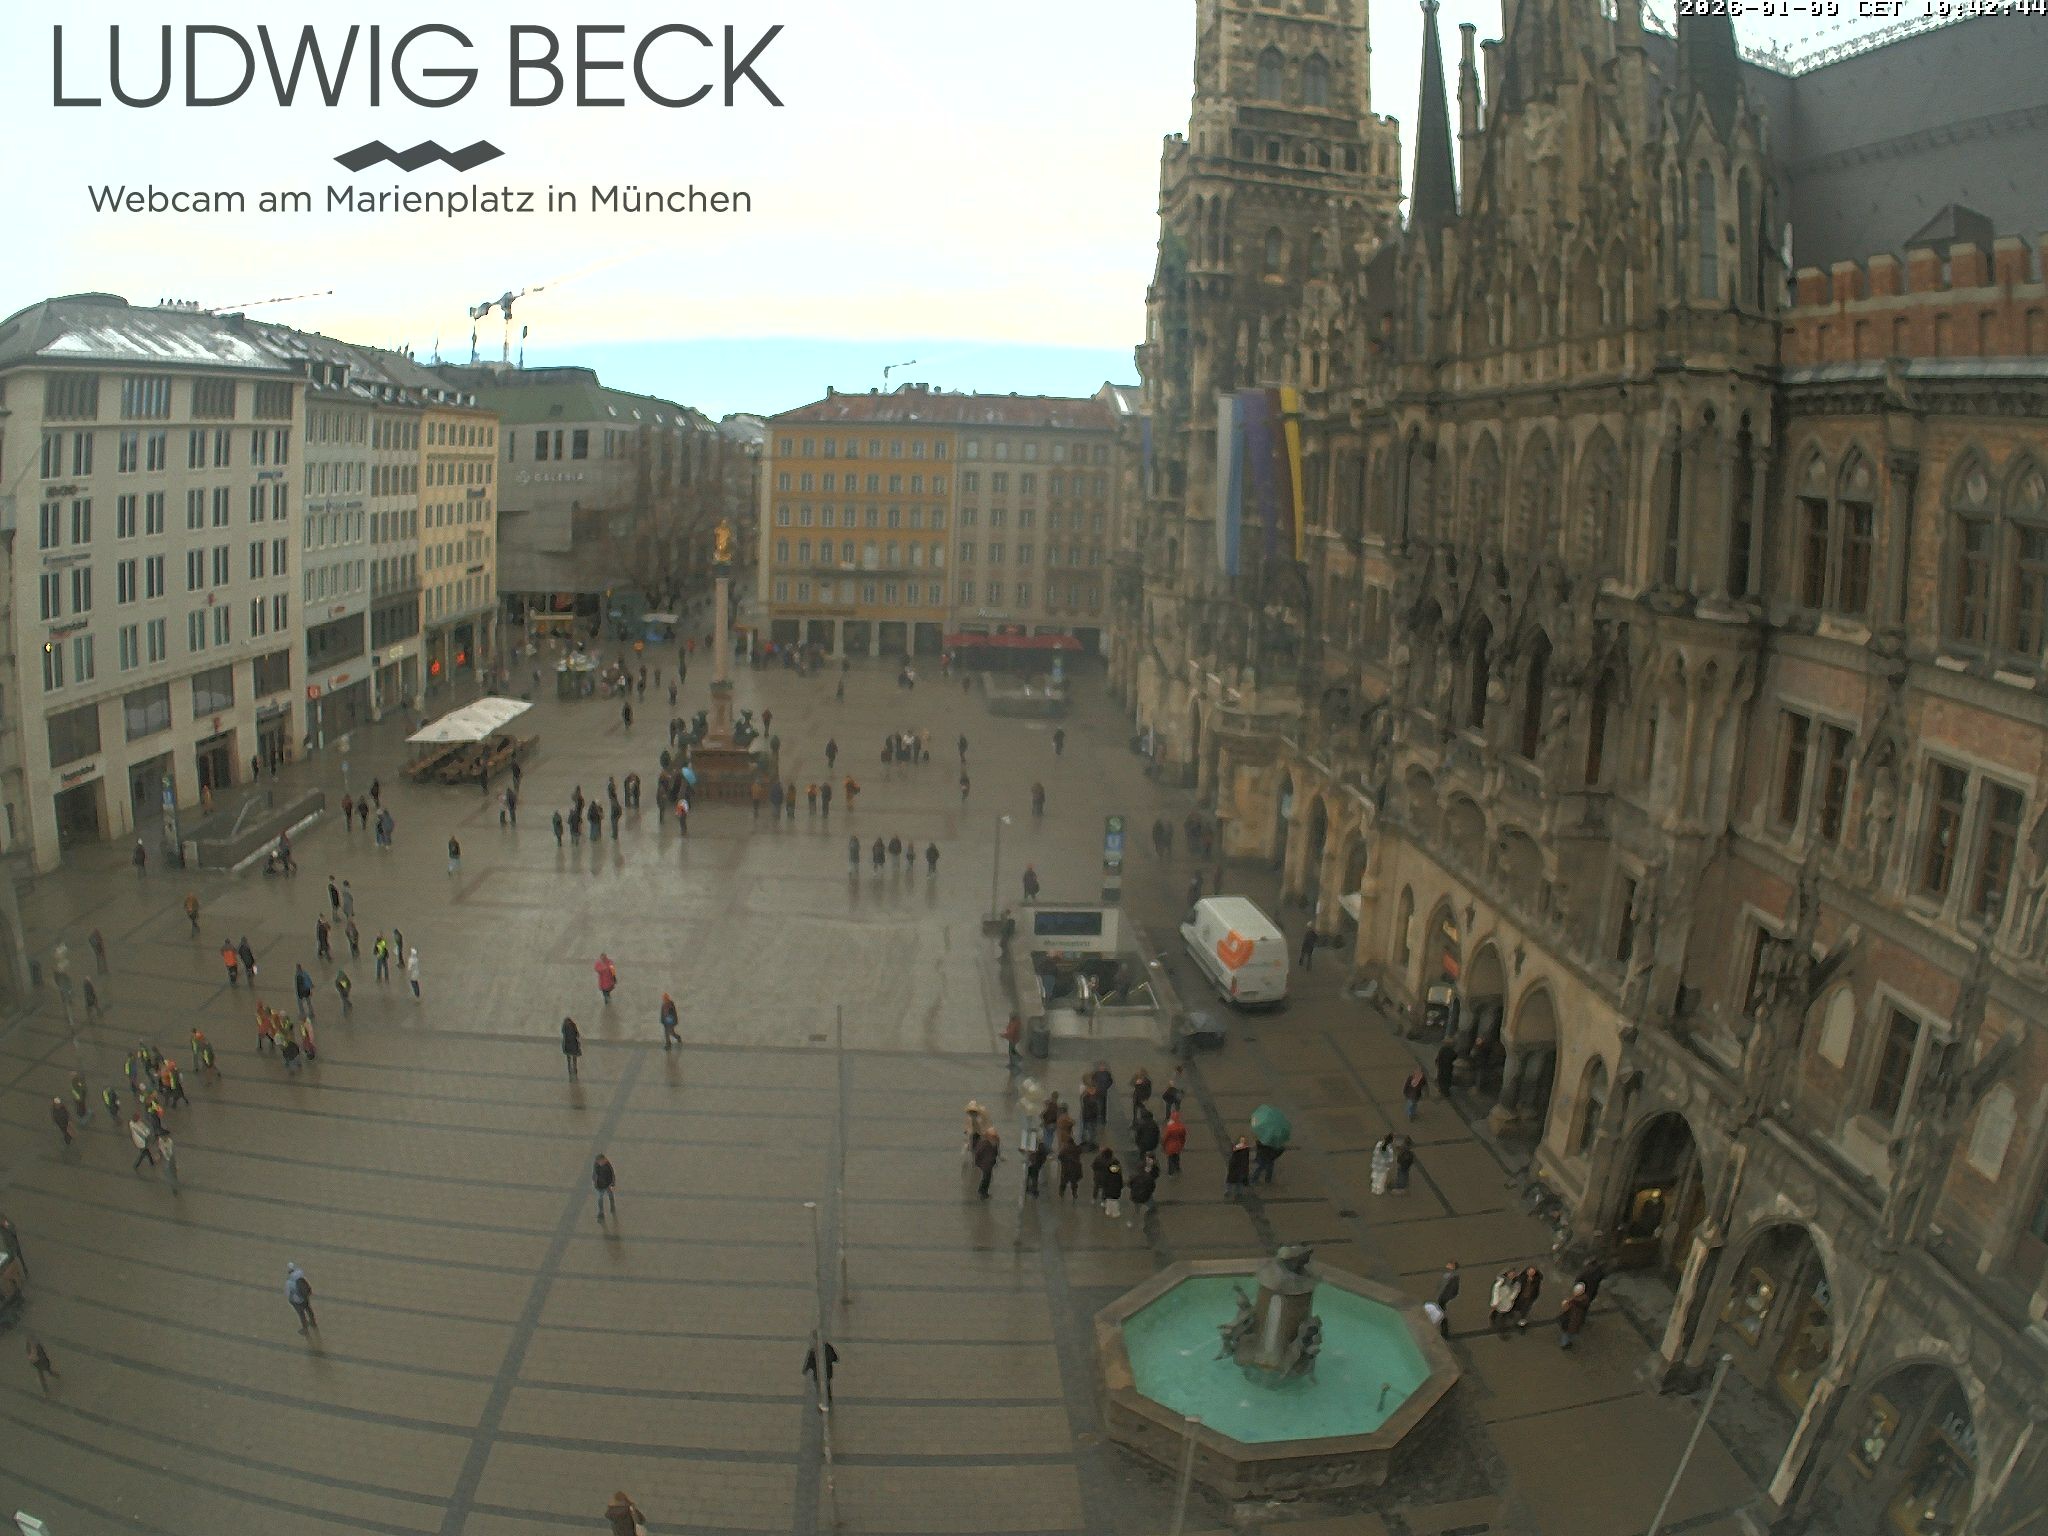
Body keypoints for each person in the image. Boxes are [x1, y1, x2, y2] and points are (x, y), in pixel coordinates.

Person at [803, 1337, 839, 1407]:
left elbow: (810, 1362)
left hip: (819, 1374)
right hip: (827, 1373)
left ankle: (823, 1402)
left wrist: (806, 1369)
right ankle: (828, 1399)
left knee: (820, 1388)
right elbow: (835, 1358)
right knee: (826, 1387)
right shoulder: (828, 1347)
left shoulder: (813, 1350)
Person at [1509, 1264, 1544, 1330]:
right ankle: (1511, 1312)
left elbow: (1536, 1290)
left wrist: (1534, 1298)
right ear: (1527, 1271)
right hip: (1520, 1296)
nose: (1531, 1273)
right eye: (1530, 1272)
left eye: (1533, 1272)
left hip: (1529, 1298)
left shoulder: (1536, 1280)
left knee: (1525, 1309)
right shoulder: (1523, 1277)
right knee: (1515, 1305)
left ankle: (1522, 1320)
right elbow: (1516, 1281)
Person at [285, 1262, 317, 1333]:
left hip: (297, 1301)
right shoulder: (300, 1274)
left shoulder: (289, 1281)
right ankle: (313, 1322)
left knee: (301, 1314)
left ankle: (305, 1329)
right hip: (304, 1297)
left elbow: (288, 1293)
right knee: (308, 1309)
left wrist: (290, 1300)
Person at [1558, 1282, 1591, 1349]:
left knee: (1566, 1334)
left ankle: (1564, 1344)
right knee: (1568, 1334)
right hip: (1572, 1322)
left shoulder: (1573, 1301)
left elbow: (1566, 1310)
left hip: (1569, 1322)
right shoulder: (1583, 1300)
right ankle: (1565, 1344)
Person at [1489, 1269, 1521, 1335]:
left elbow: (1514, 1294)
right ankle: (1497, 1323)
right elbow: (1496, 1291)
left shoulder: (1515, 1283)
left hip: (1507, 1303)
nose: (1512, 1275)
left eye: (1513, 1274)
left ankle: (1501, 1324)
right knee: (1499, 1314)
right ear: (1507, 1273)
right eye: (1510, 1274)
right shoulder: (1500, 1282)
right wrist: (1495, 1302)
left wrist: (1512, 1297)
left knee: (1504, 1314)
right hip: (1500, 1302)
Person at [1434, 1260, 1461, 1336]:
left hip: (1444, 1297)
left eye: (1449, 1264)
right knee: (1441, 1309)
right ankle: (1443, 1326)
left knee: (1441, 1310)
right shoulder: (1447, 1274)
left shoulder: (1453, 1277)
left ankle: (1444, 1328)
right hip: (1442, 1296)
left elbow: (1452, 1289)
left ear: (1453, 1267)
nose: (1447, 1264)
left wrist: (1444, 1297)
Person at [972, 1127, 1000, 1199]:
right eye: (993, 1136)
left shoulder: (994, 1144)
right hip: (985, 1164)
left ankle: (983, 1191)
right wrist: (978, 1162)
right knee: (986, 1178)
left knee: (987, 1178)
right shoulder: (984, 1143)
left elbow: (995, 1153)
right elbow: (978, 1153)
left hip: (989, 1163)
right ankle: (983, 1191)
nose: (995, 1137)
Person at [592, 1154, 618, 1221]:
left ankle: (612, 1206)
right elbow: (594, 1173)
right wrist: (595, 1182)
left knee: (610, 1195)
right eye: (598, 1162)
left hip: (607, 1185)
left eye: (601, 1161)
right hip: (599, 1186)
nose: (600, 1163)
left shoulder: (607, 1166)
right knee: (600, 1199)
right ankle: (601, 1213)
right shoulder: (596, 1164)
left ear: (604, 1160)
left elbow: (612, 1174)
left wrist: (612, 1184)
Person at [1161, 1110, 1187, 1176]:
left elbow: (1165, 1138)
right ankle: (1177, 1168)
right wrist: (1182, 1144)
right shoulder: (1181, 1127)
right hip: (1178, 1145)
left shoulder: (1170, 1128)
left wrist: (1163, 1145)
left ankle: (1170, 1172)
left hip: (1170, 1146)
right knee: (1177, 1157)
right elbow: (1183, 1137)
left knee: (1170, 1159)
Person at [1099, 1152, 1124, 1218]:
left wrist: (1103, 1186)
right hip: (1115, 1190)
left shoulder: (1107, 1173)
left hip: (1108, 1189)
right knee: (1114, 1201)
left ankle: (1108, 1211)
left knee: (1109, 1200)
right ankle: (1115, 1213)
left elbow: (1104, 1181)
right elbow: (1120, 1181)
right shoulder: (1118, 1174)